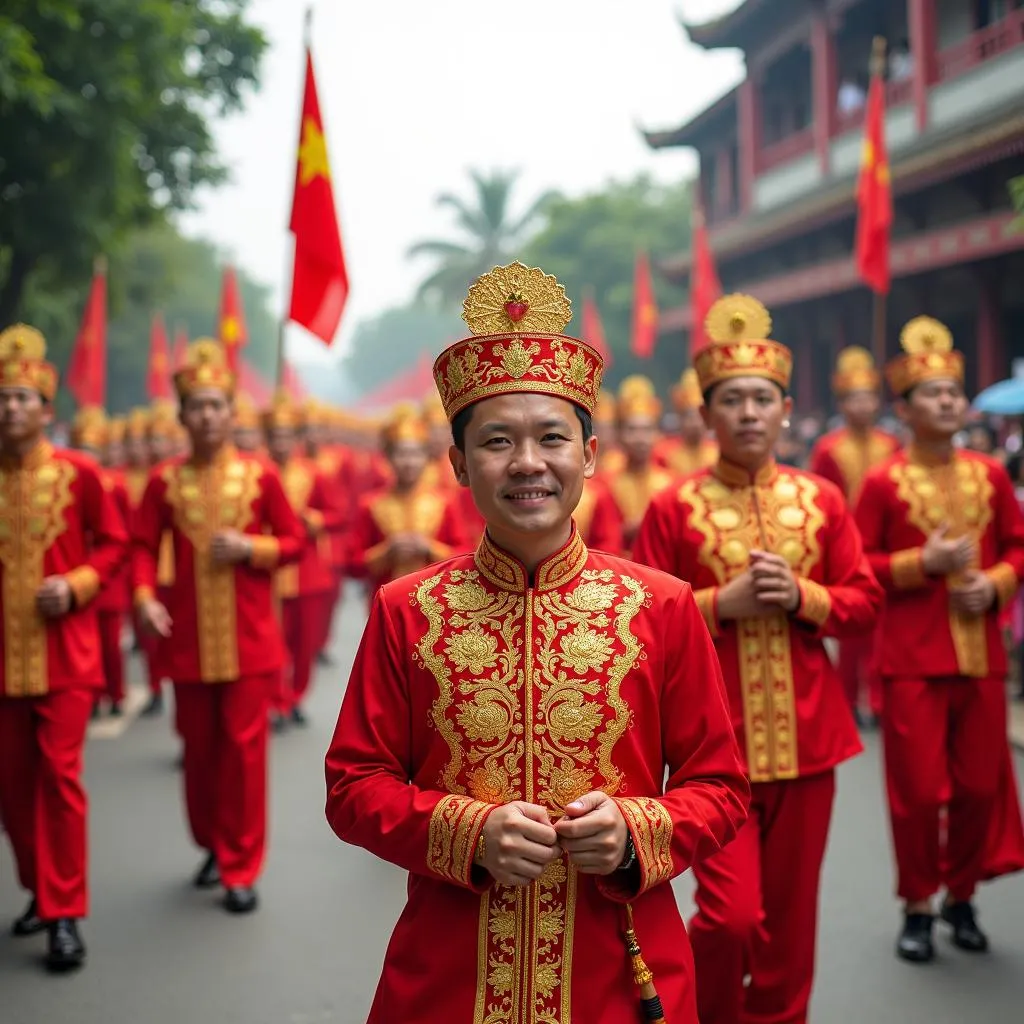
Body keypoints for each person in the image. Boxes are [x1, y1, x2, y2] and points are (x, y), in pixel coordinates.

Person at [325, 262, 749, 1024]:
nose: (527, 463)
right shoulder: (406, 610)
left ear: (589, 455)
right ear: (459, 464)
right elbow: (355, 787)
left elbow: (720, 788)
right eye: (496, 441)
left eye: (552, 437)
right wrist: (468, 832)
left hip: (620, 973)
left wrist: (635, 830)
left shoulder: (663, 607)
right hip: (449, 979)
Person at [633, 293, 882, 1024]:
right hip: (717, 753)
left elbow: (864, 603)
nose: (748, 412)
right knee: (730, 918)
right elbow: (640, 627)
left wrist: (805, 596)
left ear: (786, 409)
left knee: (791, 927)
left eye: (762, 399)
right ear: (707, 415)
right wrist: (718, 606)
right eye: (731, 400)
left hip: (811, 743)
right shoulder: (673, 507)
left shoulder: (823, 500)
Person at [853, 316, 1024, 963]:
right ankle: (919, 903)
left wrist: (1000, 583)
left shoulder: (990, 474)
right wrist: (919, 564)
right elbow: (855, 565)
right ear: (905, 408)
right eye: (933, 393)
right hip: (911, 661)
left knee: (982, 787)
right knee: (920, 792)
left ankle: (962, 895)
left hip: (981, 657)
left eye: (955, 390)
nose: (949, 400)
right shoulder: (882, 483)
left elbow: (1016, 543)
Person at [132, 339, 305, 914]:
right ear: (181, 416)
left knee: (244, 756)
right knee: (200, 752)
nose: (206, 416)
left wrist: (252, 547)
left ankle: (240, 865)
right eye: (195, 407)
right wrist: (142, 596)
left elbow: (295, 542)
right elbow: (140, 546)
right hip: (187, 642)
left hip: (250, 643)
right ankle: (211, 842)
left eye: (215, 405)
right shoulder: (164, 482)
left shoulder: (261, 478)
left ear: (233, 413)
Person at [0, 324, 127, 971]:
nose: (11, 408)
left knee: (59, 782)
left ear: (47, 411)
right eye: (4, 397)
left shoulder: (79, 473)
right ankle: (38, 890)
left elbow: (113, 545)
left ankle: (64, 912)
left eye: (23, 398)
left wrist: (75, 585)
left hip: (63, 659)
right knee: (12, 791)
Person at [809, 346, 900, 722]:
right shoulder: (828, 448)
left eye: (868, 398)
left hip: (882, 544)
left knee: (882, 628)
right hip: (845, 543)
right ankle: (847, 699)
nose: (862, 406)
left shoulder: (891, 444)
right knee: (851, 633)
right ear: (843, 404)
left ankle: (878, 698)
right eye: (854, 399)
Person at [262, 392, 342, 727]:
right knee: (272, 641)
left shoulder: (314, 474)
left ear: (295, 439)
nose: (281, 443)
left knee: (303, 642)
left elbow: (338, 514)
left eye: (286, 436)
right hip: (267, 569)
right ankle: (277, 699)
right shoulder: (255, 474)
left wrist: (317, 521)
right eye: (275, 437)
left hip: (307, 570)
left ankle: (295, 695)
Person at [347, 405, 453, 593]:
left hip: (436, 602)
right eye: (401, 453)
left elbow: (466, 553)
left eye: (415, 454)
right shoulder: (371, 504)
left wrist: (430, 549)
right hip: (384, 601)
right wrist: (386, 552)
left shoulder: (444, 503)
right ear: (388, 457)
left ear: (426, 457)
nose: (408, 462)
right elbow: (352, 563)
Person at [601, 375, 674, 557]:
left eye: (647, 430)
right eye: (632, 430)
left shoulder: (670, 483)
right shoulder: (606, 484)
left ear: (658, 434)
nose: (640, 438)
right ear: (619, 435)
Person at [654, 367, 718, 474]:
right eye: (690, 416)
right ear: (680, 418)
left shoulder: (717, 453)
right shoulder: (664, 454)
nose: (695, 423)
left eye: (699, 417)